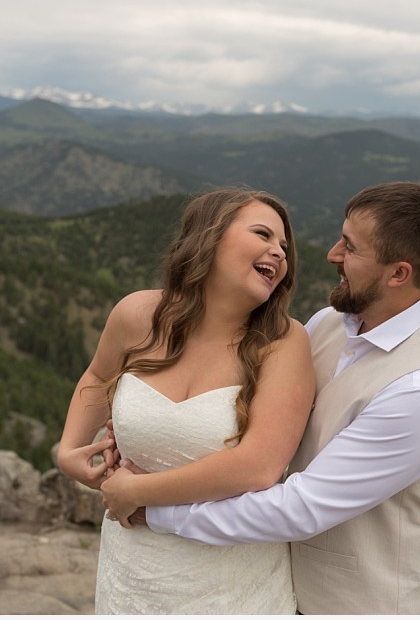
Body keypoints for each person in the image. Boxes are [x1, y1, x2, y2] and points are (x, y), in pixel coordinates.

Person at [102, 181, 420, 615]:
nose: (332, 255)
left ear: (399, 274)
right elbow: (263, 421)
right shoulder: (325, 326)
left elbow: (301, 509)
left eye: (351, 248)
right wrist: (152, 428)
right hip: (279, 591)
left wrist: (151, 510)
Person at [56, 187, 315, 614]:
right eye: (263, 235)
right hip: (132, 573)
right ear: (210, 237)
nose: (280, 253)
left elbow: (259, 466)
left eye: (284, 247)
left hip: (230, 585)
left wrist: (135, 490)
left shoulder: (283, 342)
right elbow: (99, 374)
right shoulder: (137, 315)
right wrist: (69, 451)